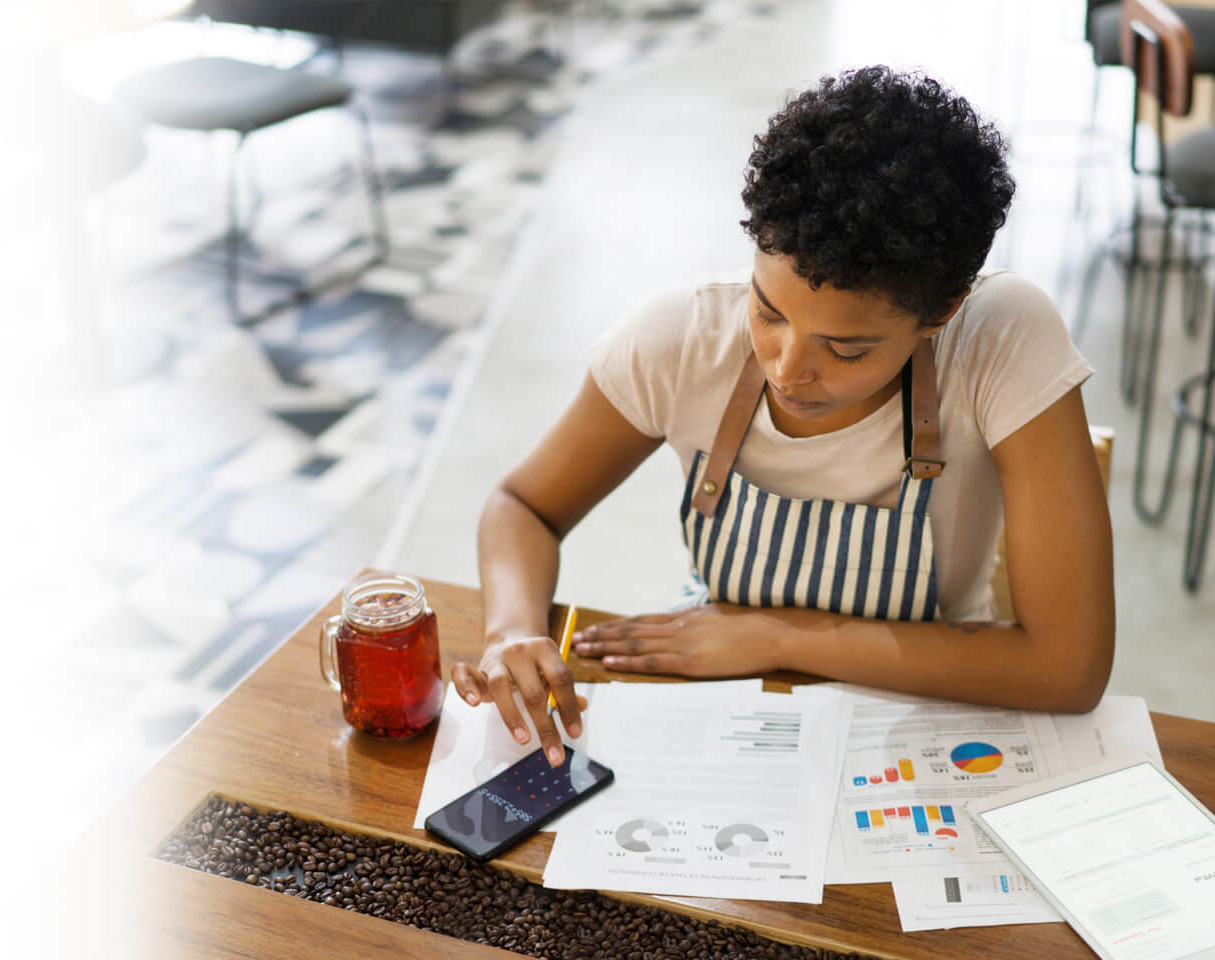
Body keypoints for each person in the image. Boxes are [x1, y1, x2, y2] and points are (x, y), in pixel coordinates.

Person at [451, 66, 1115, 767]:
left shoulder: (999, 339)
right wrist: (508, 632)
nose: (787, 368)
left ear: (941, 312)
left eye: (846, 347)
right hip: (723, 682)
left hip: (941, 694)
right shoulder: (681, 340)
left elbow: (1067, 669)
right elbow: (521, 505)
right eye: (767, 311)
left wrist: (779, 637)